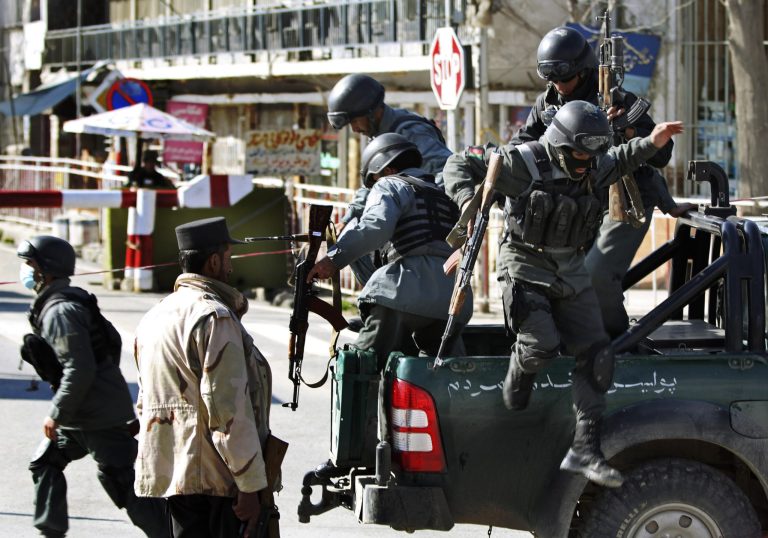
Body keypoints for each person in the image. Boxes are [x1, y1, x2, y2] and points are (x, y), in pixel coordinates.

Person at [443, 100, 684, 488]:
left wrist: (652, 142)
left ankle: (585, 450)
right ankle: (517, 380)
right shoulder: (523, 162)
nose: (587, 162)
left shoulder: (592, 163)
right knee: (541, 345)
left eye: (592, 155)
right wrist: (466, 207)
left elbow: (620, 159)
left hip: (570, 268)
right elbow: (459, 162)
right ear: (559, 144)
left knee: (596, 353)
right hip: (524, 263)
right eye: (579, 154)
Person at [511, 26, 694, 338]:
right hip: (578, 200)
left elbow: (662, 157)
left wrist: (628, 132)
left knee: (596, 275)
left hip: (626, 196)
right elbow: (523, 146)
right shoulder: (547, 103)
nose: (559, 85)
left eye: (564, 78)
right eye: (551, 79)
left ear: (583, 71)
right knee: (560, 278)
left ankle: (616, 342)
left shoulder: (621, 100)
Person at [307, 133, 472, 477]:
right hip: (452, 302)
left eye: (373, 179)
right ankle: (455, 457)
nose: (373, 187)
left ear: (387, 167)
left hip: (404, 292)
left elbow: (374, 228)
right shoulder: (444, 193)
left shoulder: (392, 185)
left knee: (361, 370)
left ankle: (350, 457)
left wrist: (331, 260)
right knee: (444, 380)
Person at [133, 217, 276, 538]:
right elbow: (228, 410)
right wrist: (250, 486)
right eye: (228, 257)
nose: (229, 266)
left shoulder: (155, 315)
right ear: (213, 261)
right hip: (217, 483)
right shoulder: (214, 317)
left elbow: (145, 402)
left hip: (176, 477)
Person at [16, 235, 167, 538]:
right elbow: (110, 345)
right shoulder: (70, 300)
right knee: (45, 462)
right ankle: (51, 531)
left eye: (30, 265)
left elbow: (79, 368)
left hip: (95, 416)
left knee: (123, 481)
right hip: (83, 413)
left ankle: (169, 533)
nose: (26, 271)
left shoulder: (60, 312)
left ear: (46, 270)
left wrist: (56, 413)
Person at [327, 73, 453, 232]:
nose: (355, 129)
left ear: (372, 113)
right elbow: (371, 185)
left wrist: (414, 200)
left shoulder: (411, 133)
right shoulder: (380, 136)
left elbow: (449, 172)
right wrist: (347, 220)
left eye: (355, 121)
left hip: (427, 232)